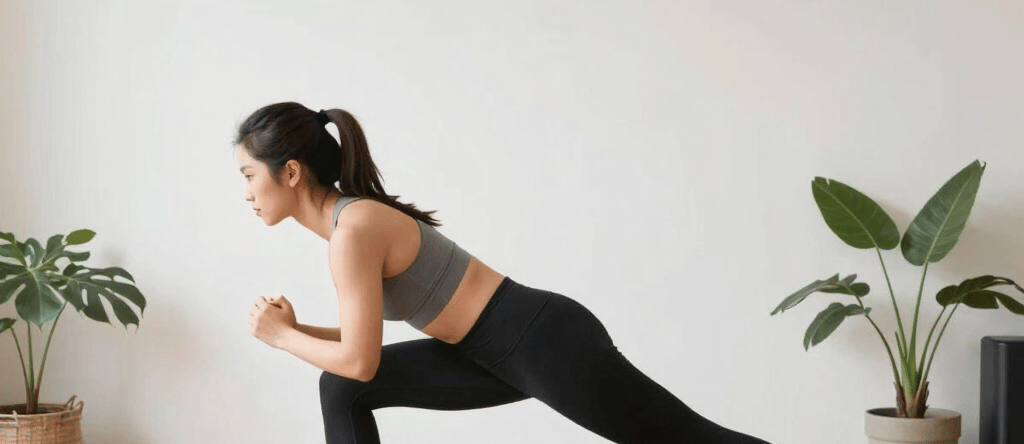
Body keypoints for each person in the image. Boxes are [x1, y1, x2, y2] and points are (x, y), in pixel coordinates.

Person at [237, 102, 770, 444]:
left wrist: (283, 338)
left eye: (248, 175)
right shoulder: (349, 226)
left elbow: (359, 358)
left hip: (541, 342)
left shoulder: (352, 232)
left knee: (691, 439)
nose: (245, 193)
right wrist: (298, 330)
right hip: (489, 351)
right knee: (342, 389)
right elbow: (363, 348)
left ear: (289, 172)